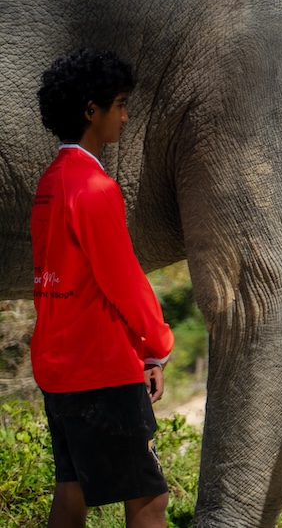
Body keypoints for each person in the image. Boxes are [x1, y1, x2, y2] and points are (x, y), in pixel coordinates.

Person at [31, 49, 174, 528]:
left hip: (58, 367)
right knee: (150, 501)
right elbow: (125, 282)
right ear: (91, 110)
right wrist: (156, 347)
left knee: (71, 496)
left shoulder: (51, 183)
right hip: (101, 372)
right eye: (119, 104)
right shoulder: (94, 187)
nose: (126, 115)